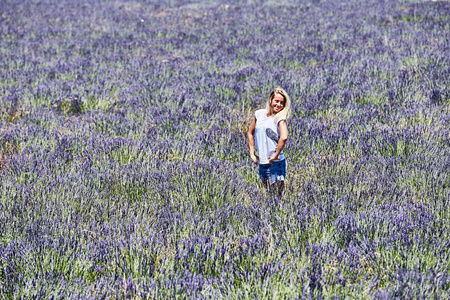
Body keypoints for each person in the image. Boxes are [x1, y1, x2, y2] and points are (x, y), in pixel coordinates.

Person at [247, 87, 291, 196]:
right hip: (263, 160)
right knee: (268, 193)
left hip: (275, 161)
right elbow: (249, 133)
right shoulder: (259, 114)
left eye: (282, 103)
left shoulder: (280, 117)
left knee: (278, 194)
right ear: (270, 100)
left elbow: (284, 137)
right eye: (276, 101)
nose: (279, 104)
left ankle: (280, 211)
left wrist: (276, 155)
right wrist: (252, 153)